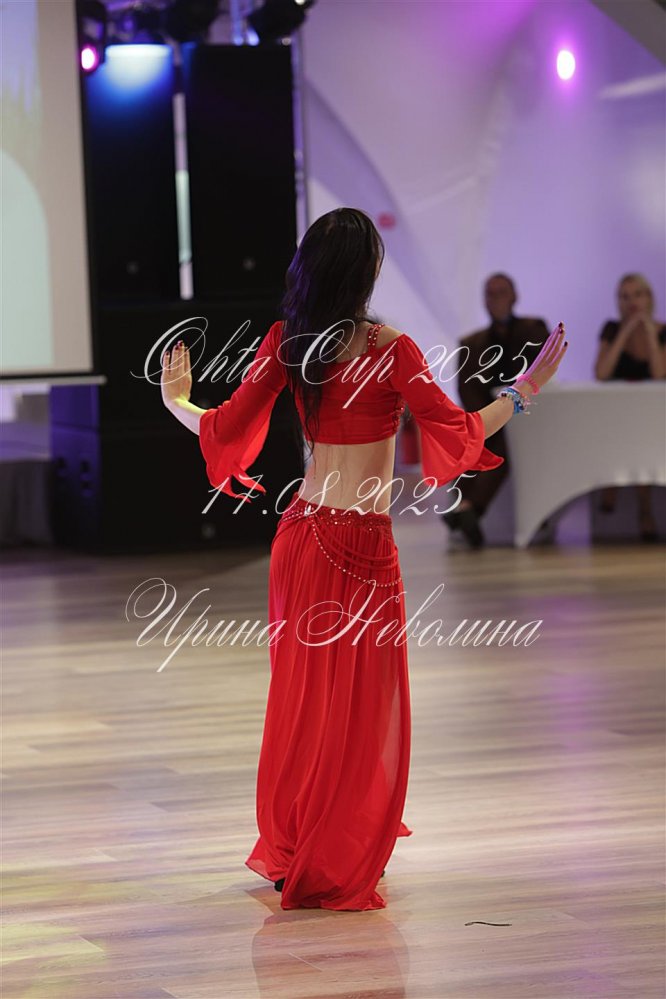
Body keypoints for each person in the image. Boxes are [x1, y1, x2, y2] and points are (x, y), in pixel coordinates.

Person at [160, 208, 568, 911]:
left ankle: (299, 844)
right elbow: (461, 432)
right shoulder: (391, 348)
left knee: (304, 704)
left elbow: (223, 427)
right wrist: (524, 390)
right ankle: (331, 850)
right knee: (359, 709)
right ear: (367, 273)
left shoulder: (289, 342)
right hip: (361, 548)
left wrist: (177, 401)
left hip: (302, 538)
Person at [441, 274, 550, 549]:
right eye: (491, 293)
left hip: (528, 418)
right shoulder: (471, 343)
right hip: (490, 419)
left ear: (514, 296)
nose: (496, 299)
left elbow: (540, 373)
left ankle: (466, 507)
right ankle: (467, 509)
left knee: (504, 442)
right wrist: (488, 418)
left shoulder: (534, 330)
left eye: (501, 292)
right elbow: (466, 389)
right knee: (478, 441)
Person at [594, 273, 666, 543]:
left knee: (641, 434)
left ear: (649, 298)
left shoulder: (662, 331)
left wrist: (648, 332)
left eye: (638, 295)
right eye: (625, 296)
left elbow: (659, 374)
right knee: (625, 430)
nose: (632, 302)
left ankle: (634, 502)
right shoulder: (612, 330)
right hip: (617, 414)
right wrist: (625, 332)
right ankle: (640, 508)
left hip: (653, 414)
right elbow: (602, 373)